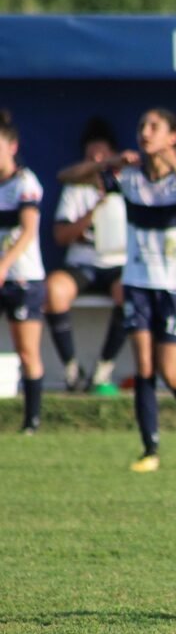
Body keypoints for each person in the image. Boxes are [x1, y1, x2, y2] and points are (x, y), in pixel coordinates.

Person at [64, 108, 176, 473]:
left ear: (173, 136)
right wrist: (113, 161)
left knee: (170, 370)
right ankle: (150, 449)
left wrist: (174, 164)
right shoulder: (129, 177)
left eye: (154, 126)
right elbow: (67, 176)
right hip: (137, 282)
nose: (145, 132)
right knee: (144, 366)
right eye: (141, 126)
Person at [48, 117, 128, 393]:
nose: (97, 162)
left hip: (117, 264)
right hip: (82, 264)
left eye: (102, 155)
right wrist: (92, 212)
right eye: (90, 156)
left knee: (128, 293)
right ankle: (71, 370)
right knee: (54, 291)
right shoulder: (75, 187)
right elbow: (60, 235)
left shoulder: (126, 184)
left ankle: (103, 369)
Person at [0, 110, 45, 434]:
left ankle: (32, 421)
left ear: (12, 146)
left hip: (21, 278)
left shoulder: (25, 183)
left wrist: (3, 264)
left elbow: (28, 231)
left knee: (27, 351)